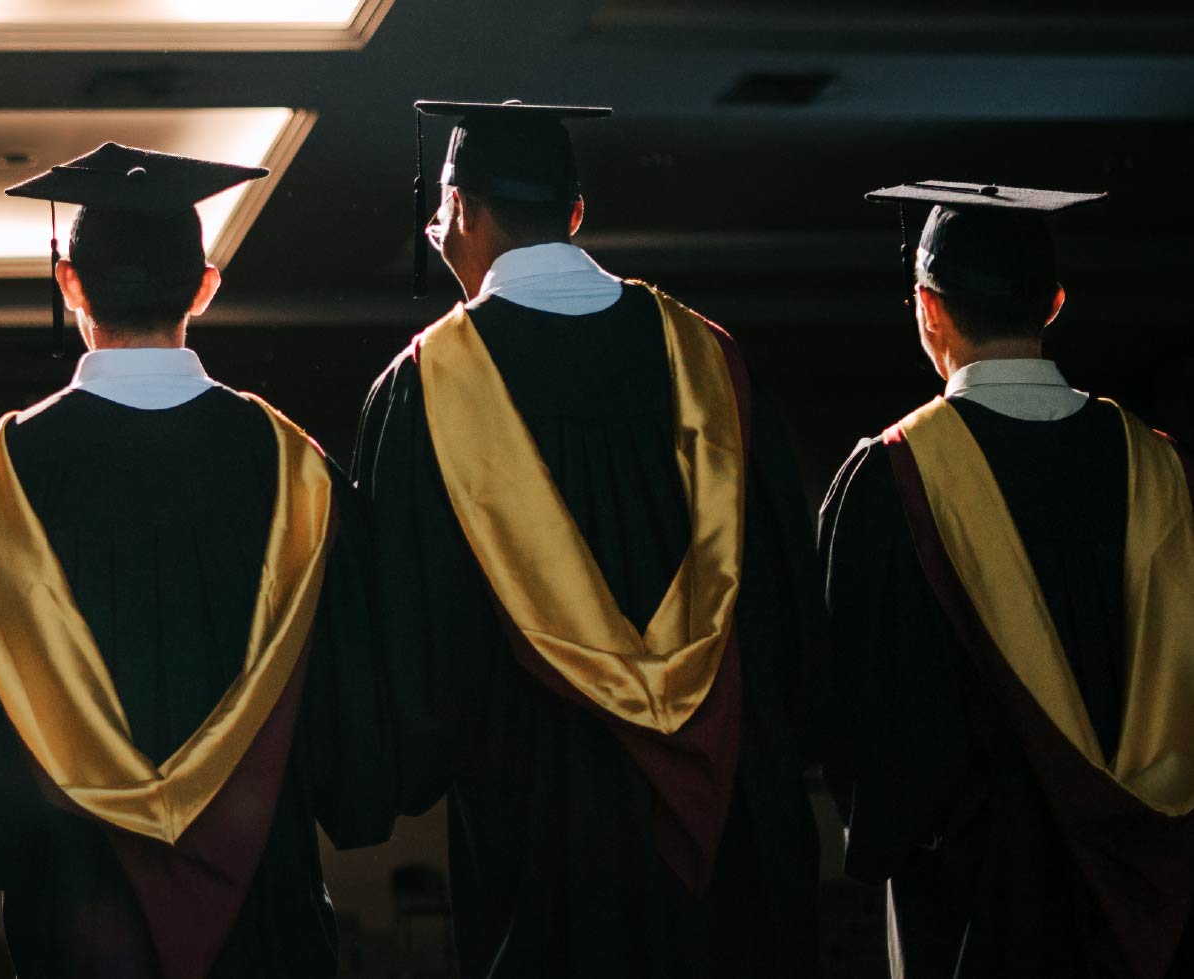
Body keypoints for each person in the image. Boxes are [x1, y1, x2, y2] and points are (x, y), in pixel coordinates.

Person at [349, 102, 823, 978]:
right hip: (724, 813)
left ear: (454, 211)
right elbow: (787, 601)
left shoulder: (428, 384)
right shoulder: (708, 360)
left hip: (537, 817)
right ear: (576, 213)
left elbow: (412, 641)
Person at [0, 143, 391, 979]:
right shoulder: (295, 470)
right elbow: (353, 700)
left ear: (69, 281)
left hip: (76, 907)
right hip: (265, 903)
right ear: (204, 285)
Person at [820, 181, 1192, 979]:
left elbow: (853, 706)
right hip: (1136, 896)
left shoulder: (893, 475)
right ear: (1053, 302)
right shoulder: (1157, 468)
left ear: (927, 308)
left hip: (961, 897)